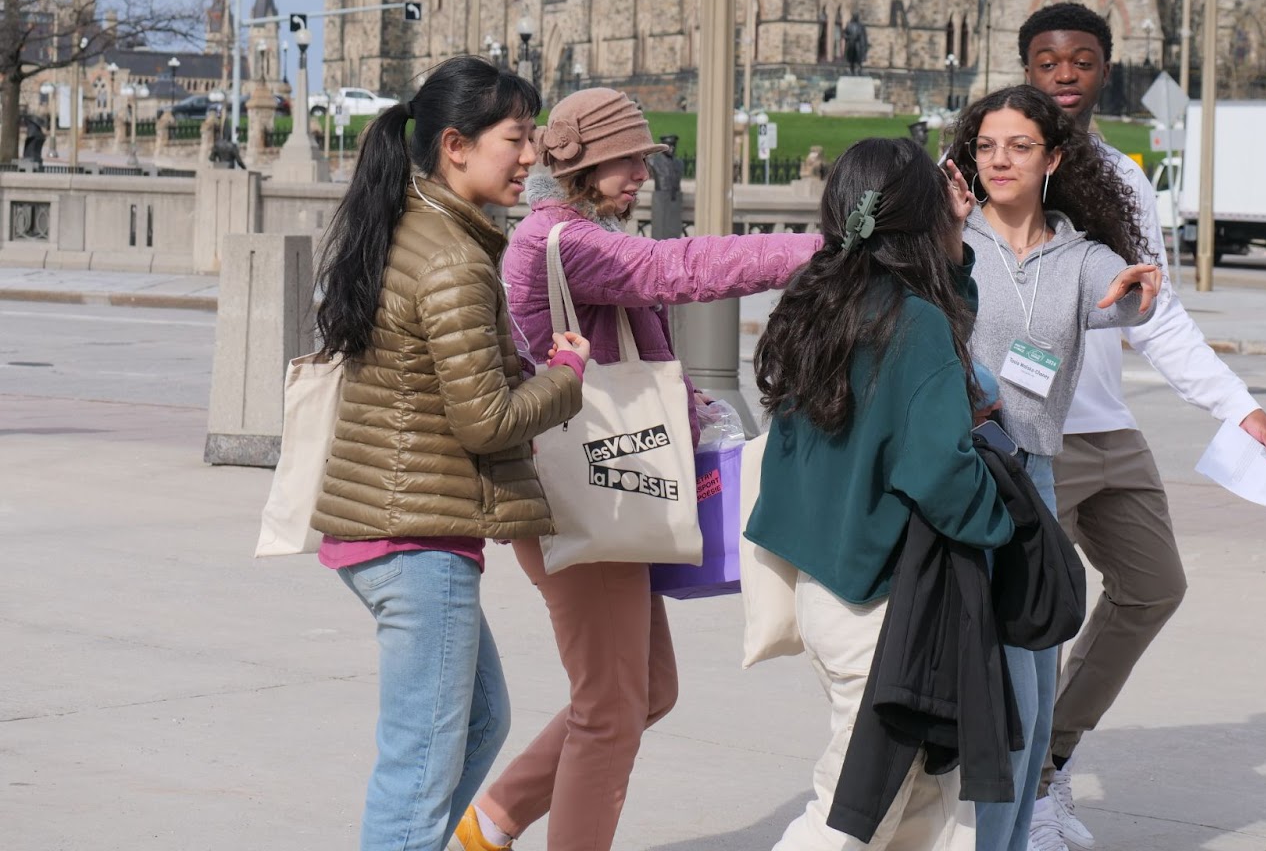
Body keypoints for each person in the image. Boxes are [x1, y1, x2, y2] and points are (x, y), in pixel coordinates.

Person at [455, 87, 820, 851]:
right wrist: (826, 248)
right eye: (628, 160)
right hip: (581, 493)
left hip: (610, 482)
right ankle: (497, 829)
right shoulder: (563, 242)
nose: (642, 175)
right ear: (583, 162)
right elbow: (673, 269)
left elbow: (637, 352)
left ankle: (489, 825)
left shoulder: (580, 234)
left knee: (646, 691)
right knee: (611, 709)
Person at [1017, 3, 1266, 851]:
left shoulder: (1125, 180)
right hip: (1023, 433)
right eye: (1048, 60)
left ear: (1106, 70)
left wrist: (1237, 404)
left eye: (1083, 59)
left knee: (1154, 587)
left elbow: (1154, 315)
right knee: (1029, 618)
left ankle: (1046, 763)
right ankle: (1015, 790)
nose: (1065, 74)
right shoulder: (994, 162)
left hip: (1105, 429)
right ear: (1026, 70)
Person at [310, 55, 590, 851]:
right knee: (418, 767)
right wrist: (566, 376)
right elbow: (487, 421)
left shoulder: (420, 226)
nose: (531, 156)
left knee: (478, 721)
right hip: (415, 540)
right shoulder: (452, 259)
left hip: (396, 528)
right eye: (518, 138)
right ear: (456, 146)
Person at [746, 136, 1013, 851]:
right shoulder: (914, 322)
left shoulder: (819, 302)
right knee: (849, 819)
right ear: (923, 217)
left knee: (924, 810)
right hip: (885, 608)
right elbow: (940, 471)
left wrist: (950, 245)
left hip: (828, 588)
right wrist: (1007, 521)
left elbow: (928, 347)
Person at [945, 86, 1160, 851]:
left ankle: (1002, 840)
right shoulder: (951, 236)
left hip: (1028, 481)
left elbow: (1123, 300)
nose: (1000, 160)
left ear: (1053, 158)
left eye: (1020, 146)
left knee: (1030, 693)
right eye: (987, 146)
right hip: (948, 478)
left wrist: (1138, 294)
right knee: (951, 680)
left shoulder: (1080, 257)